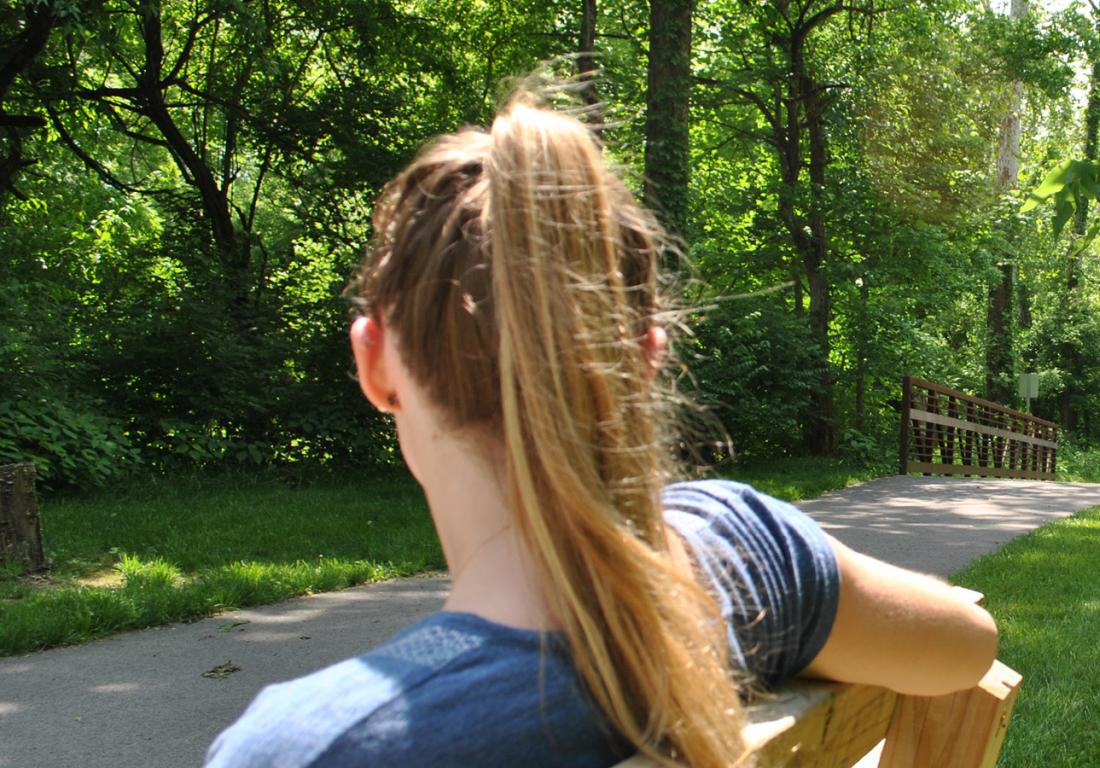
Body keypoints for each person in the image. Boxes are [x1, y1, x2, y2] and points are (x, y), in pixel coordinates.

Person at [205, 87, 999, 767]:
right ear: (646, 356)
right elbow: (968, 645)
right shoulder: (749, 561)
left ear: (375, 364)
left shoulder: (306, 747)